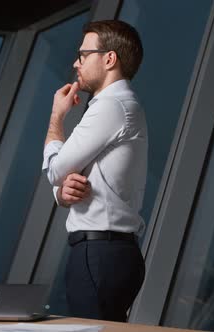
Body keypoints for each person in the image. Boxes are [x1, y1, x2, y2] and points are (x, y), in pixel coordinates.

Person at [41, 20, 147, 322]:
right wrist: (62, 193)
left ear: (109, 59)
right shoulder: (120, 105)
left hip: (99, 254)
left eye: (83, 55)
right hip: (110, 253)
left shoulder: (112, 106)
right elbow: (66, 182)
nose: (76, 63)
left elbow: (56, 170)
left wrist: (56, 117)